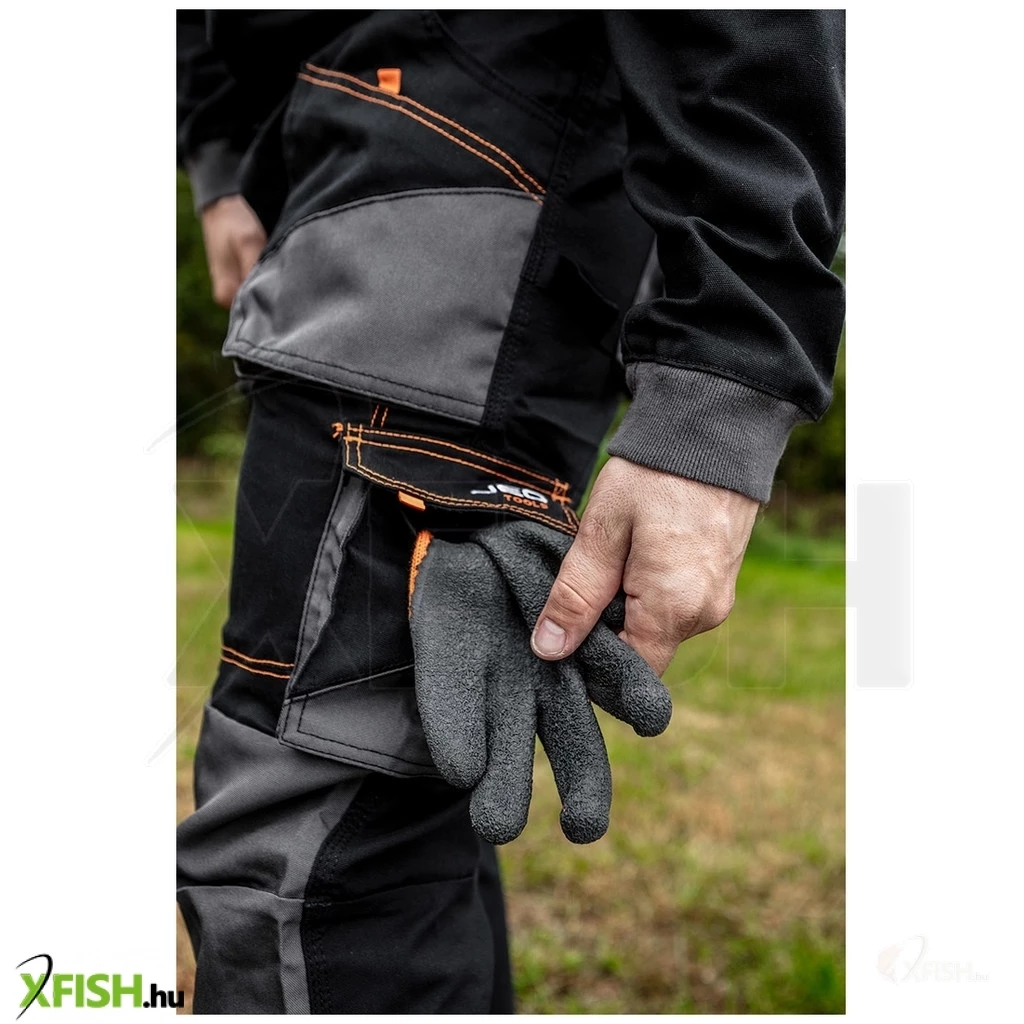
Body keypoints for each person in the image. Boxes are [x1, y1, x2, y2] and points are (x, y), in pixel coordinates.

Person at [176, 10, 845, 1014]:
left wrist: (724, 379)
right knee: (406, 780)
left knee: (311, 850)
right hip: (358, 147)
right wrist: (223, 148)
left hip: (464, 165)